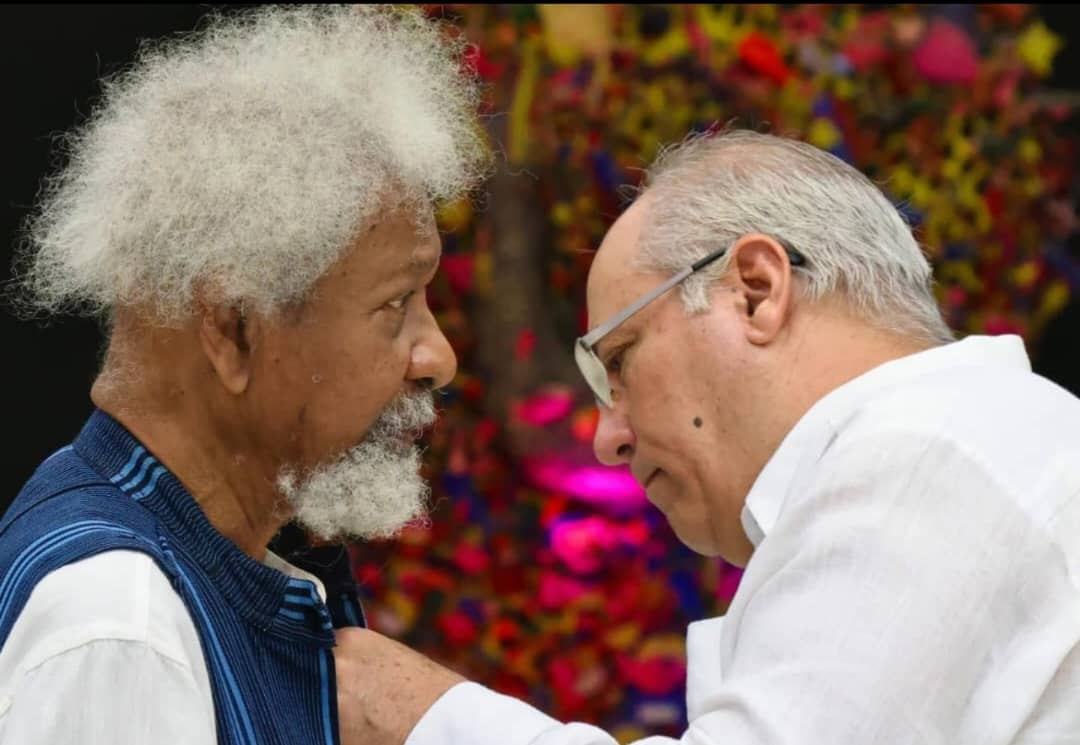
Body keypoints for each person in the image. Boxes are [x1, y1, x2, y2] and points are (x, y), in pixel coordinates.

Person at [332, 129, 1080, 745]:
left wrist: (420, 712)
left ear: (755, 290)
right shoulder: (969, 442)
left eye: (619, 360)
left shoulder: (928, 455)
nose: (608, 439)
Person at [0, 5, 489, 744]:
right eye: (395, 305)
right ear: (232, 329)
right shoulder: (121, 619)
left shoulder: (209, 562)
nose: (437, 356)